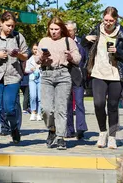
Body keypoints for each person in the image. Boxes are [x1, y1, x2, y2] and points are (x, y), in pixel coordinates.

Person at [82, 6, 123, 149]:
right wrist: (85, 39)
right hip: (98, 72)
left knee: (112, 106)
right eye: (106, 20)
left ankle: (112, 137)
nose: (108, 23)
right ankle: (102, 132)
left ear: (115, 20)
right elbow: (83, 44)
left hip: (115, 74)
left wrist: (118, 51)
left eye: (111, 20)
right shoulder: (97, 29)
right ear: (102, 18)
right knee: (98, 104)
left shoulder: (121, 33)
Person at [0, 11, 28, 150]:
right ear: (1, 24)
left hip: (13, 76)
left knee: (9, 108)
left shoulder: (18, 37)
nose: (10, 28)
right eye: (8, 25)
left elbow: (26, 56)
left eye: (13, 26)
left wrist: (18, 54)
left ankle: (14, 129)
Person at [35, 17, 81, 150]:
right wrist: (42, 57)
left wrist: (70, 57)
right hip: (47, 75)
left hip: (63, 75)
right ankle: (52, 129)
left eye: (56, 29)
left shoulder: (68, 41)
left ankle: (61, 137)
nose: (54, 32)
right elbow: (37, 59)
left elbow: (78, 59)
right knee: (46, 108)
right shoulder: (44, 41)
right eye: (51, 29)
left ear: (61, 29)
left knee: (61, 108)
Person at [65, 21, 88, 140]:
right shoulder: (62, 42)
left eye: (70, 30)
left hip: (78, 76)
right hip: (65, 76)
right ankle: (69, 130)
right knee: (67, 104)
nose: (68, 32)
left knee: (79, 102)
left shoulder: (81, 43)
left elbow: (85, 58)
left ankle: (80, 129)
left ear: (75, 31)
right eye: (66, 30)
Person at [25, 43, 42, 121]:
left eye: (37, 49)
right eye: (34, 49)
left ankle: (39, 113)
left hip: (41, 78)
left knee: (40, 97)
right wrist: (30, 70)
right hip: (32, 79)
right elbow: (25, 70)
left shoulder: (42, 59)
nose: (35, 51)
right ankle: (33, 112)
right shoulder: (30, 60)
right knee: (33, 96)